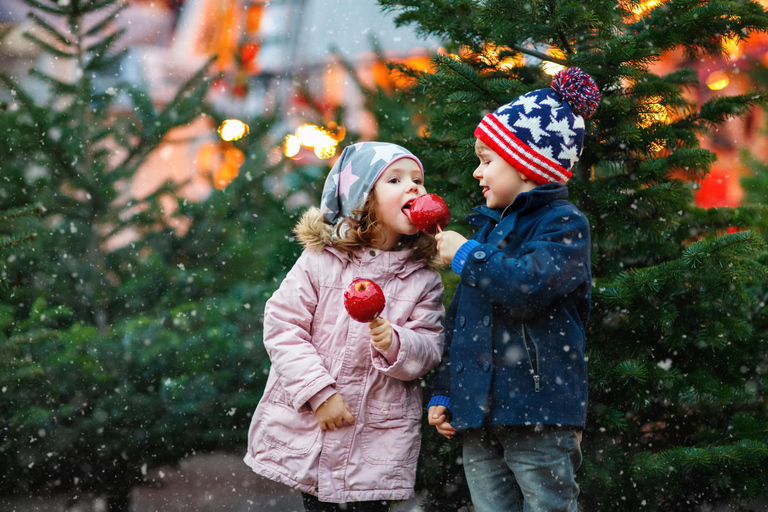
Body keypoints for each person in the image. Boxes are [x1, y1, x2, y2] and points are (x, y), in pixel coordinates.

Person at [427, 67, 600, 512]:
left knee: (547, 505)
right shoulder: (485, 233)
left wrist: (468, 256)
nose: (476, 171)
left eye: (487, 160)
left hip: (538, 411)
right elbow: (460, 323)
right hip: (477, 413)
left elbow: (529, 285)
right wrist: (446, 391)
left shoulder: (563, 225)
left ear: (525, 164)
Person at [244, 142, 445, 512]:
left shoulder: (422, 280)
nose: (414, 187)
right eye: (396, 179)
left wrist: (396, 342)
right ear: (362, 198)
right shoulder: (321, 262)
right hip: (316, 430)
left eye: (418, 180)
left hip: (377, 441)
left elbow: (429, 350)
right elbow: (282, 325)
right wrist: (319, 393)